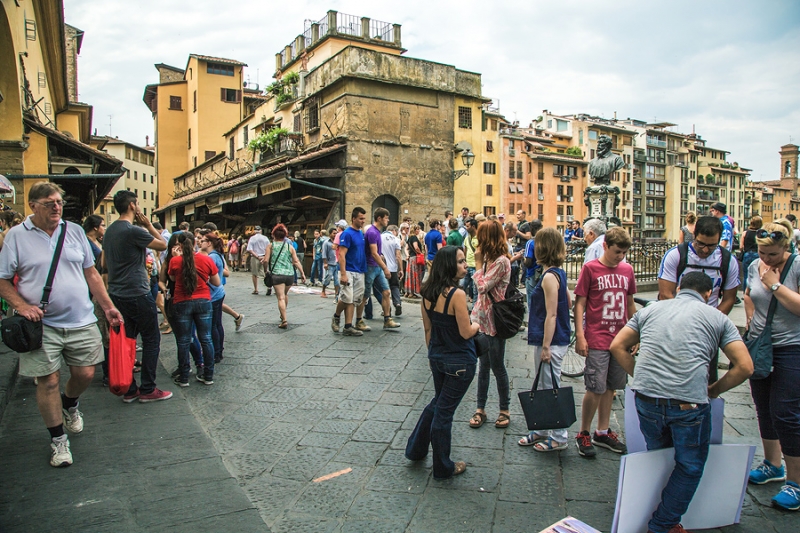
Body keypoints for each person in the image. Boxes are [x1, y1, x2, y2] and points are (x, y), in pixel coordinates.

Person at [610, 272, 753, 533]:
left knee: (659, 457)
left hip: (646, 397)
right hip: (688, 402)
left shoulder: (652, 310)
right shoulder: (718, 318)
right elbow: (744, 367)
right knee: (690, 466)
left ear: (678, 288)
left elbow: (617, 346)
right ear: (709, 294)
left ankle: (654, 514)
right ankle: (662, 524)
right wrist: (713, 390)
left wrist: (640, 375)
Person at [0, 182, 123, 467]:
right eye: (49, 203)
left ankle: (70, 403)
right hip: (41, 324)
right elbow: (3, 279)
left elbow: (91, 273)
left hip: (81, 318)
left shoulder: (75, 231)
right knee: (48, 380)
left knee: (86, 374)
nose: (56, 207)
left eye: (58, 202)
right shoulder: (17, 236)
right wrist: (21, 306)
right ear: (33, 205)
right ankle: (58, 441)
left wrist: (108, 307)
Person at [405, 246, 479, 479]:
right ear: (448, 265)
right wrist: (478, 323)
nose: (464, 265)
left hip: (437, 357)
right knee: (444, 412)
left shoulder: (426, 292)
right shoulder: (456, 294)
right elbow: (466, 332)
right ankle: (442, 466)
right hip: (460, 361)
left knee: (438, 404)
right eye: (459, 261)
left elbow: (428, 328)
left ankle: (416, 449)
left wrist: (432, 355)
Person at [744, 219, 800, 511]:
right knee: (763, 407)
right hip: (761, 346)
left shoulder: (798, 266)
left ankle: (796, 482)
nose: (766, 259)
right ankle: (772, 465)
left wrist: (775, 285)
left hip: (792, 347)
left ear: (786, 247)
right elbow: (749, 295)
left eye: (773, 255)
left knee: (786, 412)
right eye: (762, 253)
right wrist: (752, 315)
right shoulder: (755, 266)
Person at [574, 226, 636, 457]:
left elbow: (629, 303)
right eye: (617, 251)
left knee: (611, 387)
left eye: (624, 253)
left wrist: (634, 333)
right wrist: (581, 335)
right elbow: (580, 303)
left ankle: (602, 430)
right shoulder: (590, 269)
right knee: (595, 387)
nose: (620, 256)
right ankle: (584, 432)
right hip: (598, 336)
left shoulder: (627, 270)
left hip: (619, 339)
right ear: (605, 246)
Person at [103, 190, 171, 403]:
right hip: (137, 292)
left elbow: (104, 264)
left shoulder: (110, 231)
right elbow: (162, 245)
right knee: (151, 338)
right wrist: (149, 225)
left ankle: (130, 389)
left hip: (117, 293)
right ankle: (148, 388)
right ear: (133, 206)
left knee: (128, 340)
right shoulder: (132, 231)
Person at [518, 228, 572, 451]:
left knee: (550, 386)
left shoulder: (549, 277)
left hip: (550, 339)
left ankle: (559, 437)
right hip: (555, 337)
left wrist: (546, 346)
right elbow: (567, 302)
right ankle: (541, 428)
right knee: (544, 384)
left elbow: (551, 314)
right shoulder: (558, 272)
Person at [468, 220, 512, 430]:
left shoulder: (502, 262)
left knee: (497, 366)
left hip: (495, 321)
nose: (477, 240)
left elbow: (482, 286)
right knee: (482, 366)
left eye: (480, 236)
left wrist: (477, 264)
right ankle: (480, 408)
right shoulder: (488, 260)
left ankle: (504, 409)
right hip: (482, 320)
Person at [658, 215, 739, 319]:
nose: (705, 250)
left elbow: (729, 299)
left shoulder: (728, 261)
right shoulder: (676, 255)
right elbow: (665, 294)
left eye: (712, 246)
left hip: (710, 319)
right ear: (694, 235)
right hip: (676, 317)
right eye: (700, 243)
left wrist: (711, 321)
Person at [168, 232, 220, 386]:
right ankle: (208, 375)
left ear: (180, 245)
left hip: (182, 302)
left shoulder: (175, 261)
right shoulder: (206, 260)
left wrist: (174, 257)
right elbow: (216, 283)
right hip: (203, 301)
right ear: (195, 243)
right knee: (206, 338)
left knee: (183, 340)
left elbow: (171, 278)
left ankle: (184, 377)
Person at [199, 232, 241, 362]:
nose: (201, 243)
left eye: (203, 240)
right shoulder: (218, 254)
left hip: (213, 293)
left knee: (213, 325)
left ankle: (216, 352)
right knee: (217, 324)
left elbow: (210, 276)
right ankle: (218, 350)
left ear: (209, 243)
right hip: (218, 292)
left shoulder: (211, 257)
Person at [82, 215, 110, 386]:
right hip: (93, 289)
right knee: (103, 331)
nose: (104, 228)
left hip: (96, 287)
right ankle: (107, 371)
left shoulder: (96, 242)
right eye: (102, 225)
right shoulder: (86, 243)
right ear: (94, 227)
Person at [332, 207, 368, 336]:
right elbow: (342, 254)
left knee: (354, 299)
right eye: (361, 218)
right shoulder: (347, 233)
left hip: (360, 270)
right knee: (347, 298)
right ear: (353, 218)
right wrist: (343, 274)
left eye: (364, 218)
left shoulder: (360, 233)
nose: (363, 221)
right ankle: (337, 316)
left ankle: (348, 326)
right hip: (348, 270)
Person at [262, 224, 306, 329]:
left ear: (273, 235)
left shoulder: (271, 246)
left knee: (280, 297)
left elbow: (265, 260)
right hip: (289, 275)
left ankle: (284, 320)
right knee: (285, 295)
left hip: (277, 275)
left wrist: (265, 270)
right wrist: (302, 273)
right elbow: (296, 261)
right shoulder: (289, 246)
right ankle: (282, 315)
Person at [363, 208, 400, 329]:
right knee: (365, 295)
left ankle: (387, 319)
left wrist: (381, 256)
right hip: (370, 266)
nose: (388, 220)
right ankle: (358, 320)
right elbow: (373, 253)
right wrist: (385, 268)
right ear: (379, 218)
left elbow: (376, 252)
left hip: (377, 267)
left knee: (386, 291)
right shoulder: (373, 232)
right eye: (386, 218)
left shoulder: (378, 232)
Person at [382, 225, 404, 317]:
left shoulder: (379, 237)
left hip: (383, 268)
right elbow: (398, 255)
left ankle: (387, 309)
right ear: (394, 230)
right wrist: (401, 269)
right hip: (393, 268)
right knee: (395, 286)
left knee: (384, 290)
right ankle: (397, 303)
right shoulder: (396, 239)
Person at [523, 219, 544, 307]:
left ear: (531, 229)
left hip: (532, 275)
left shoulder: (530, 243)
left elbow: (528, 262)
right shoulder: (544, 242)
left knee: (532, 304)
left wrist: (522, 258)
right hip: (542, 275)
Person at [740, 215, 762, 293]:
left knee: (746, 274)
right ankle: (756, 291)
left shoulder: (745, 233)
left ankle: (746, 292)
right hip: (758, 255)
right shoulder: (761, 234)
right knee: (758, 275)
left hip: (747, 254)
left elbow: (741, 246)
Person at [246, 226, 269, 295]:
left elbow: (250, 249)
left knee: (255, 274)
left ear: (255, 231)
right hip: (264, 257)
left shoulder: (252, 238)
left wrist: (257, 256)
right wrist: (264, 257)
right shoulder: (265, 238)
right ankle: (269, 287)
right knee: (266, 273)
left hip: (255, 257)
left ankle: (256, 289)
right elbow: (269, 248)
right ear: (261, 231)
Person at [405, 224, 424, 299]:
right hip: (415, 258)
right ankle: (412, 293)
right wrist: (420, 253)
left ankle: (408, 291)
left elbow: (406, 248)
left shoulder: (409, 238)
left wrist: (407, 255)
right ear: (414, 230)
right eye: (417, 229)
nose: (418, 230)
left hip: (411, 258)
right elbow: (416, 247)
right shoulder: (414, 238)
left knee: (410, 275)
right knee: (414, 275)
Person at [462, 218, 479, 302]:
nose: (466, 228)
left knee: (475, 290)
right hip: (468, 265)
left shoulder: (479, 238)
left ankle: (473, 309)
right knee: (462, 286)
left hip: (476, 266)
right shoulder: (467, 238)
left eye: (468, 226)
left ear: (473, 226)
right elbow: (465, 251)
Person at [320, 228, 339, 301]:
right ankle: (323, 290)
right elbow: (324, 253)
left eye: (336, 233)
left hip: (337, 263)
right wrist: (325, 263)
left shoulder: (337, 242)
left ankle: (336, 294)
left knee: (337, 280)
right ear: (330, 234)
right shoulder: (326, 242)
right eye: (334, 233)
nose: (335, 235)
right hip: (330, 263)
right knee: (328, 277)